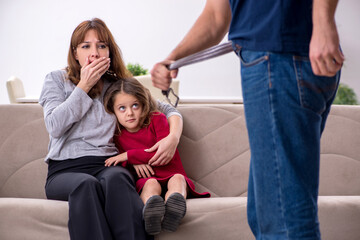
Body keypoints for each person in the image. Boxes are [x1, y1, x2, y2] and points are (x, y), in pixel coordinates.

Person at [150, 0, 344, 239]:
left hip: (278, 61)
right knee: (263, 213)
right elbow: (216, 17)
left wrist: (323, 24)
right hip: (279, 62)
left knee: (282, 220)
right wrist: (173, 58)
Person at [39, 18, 183, 240]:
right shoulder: (57, 80)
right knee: (86, 184)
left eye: (101, 46)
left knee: (118, 178)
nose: (94, 53)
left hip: (106, 164)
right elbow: (54, 127)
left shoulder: (117, 85)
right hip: (64, 170)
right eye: (86, 46)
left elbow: (168, 110)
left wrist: (173, 137)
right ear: (75, 53)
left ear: (109, 53)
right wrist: (84, 86)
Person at [103, 78, 210, 235]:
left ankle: (174, 205)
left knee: (178, 179)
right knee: (151, 185)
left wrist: (129, 156)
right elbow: (118, 163)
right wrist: (132, 162)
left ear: (143, 104)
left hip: (170, 171)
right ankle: (151, 210)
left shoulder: (157, 119)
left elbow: (159, 152)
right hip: (147, 178)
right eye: (122, 108)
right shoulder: (116, 135)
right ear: (113, 111)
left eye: (135, 106)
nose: (129, 113)